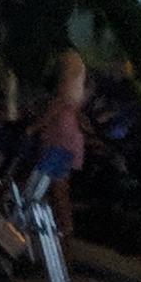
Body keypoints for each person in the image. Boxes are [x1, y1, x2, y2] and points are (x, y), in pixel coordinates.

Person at [36, 48, 91, 254]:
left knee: (57, 189)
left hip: (61, 136)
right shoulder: (75, 64)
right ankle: (61, 242)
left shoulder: (68, 61)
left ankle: (64, 244)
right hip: (62, 135)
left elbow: (62, 101)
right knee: (56, 190)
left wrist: (36, 125)